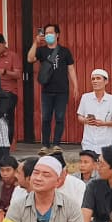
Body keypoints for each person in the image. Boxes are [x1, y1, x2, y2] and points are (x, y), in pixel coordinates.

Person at [29, 23, 77, 154]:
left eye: (51, 32)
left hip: (62, 90)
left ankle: (56, 144)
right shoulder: (42, 50)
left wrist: (75, 85)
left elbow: (71, 69)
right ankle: (45, 145)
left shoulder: (65, 51)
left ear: (57, 35)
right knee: (46, 118)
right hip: (47, 90)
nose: (48, 35)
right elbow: (30, 58)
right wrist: (35, 42)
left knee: (60, 117)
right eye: (46, 33)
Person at [77, 68, 112, 155]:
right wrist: (85, 120)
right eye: (93, 79)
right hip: (88, 143)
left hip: (106, 144)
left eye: (98, 78)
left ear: (106, 81)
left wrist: (104, 123)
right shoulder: (85, 97)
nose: (95, 81)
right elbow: (79, 116)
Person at [0, 33, 22, 98]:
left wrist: (5, 72)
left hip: (8, 91)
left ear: (4, 43)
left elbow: (18, 75)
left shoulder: (13, 56)